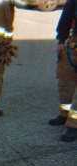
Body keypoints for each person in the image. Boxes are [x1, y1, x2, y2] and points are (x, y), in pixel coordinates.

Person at [48, 0, 77, 142]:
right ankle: (65, 114)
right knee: (65, 79)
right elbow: (67, 14)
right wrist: (61, 40)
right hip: (74, 42)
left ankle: (74, 125)